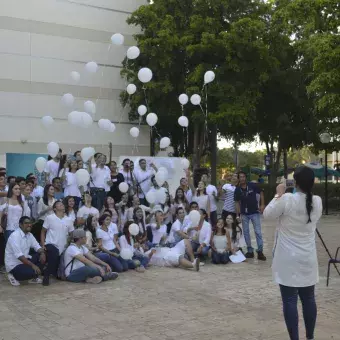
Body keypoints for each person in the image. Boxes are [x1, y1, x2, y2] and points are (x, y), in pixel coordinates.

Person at [263, 166, 322, 340]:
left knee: (289, 300)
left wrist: (278, 194)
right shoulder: (317, 201)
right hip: (308, 258)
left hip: (287, 258)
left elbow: (267, 214)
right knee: (309, 299)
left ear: (295, 182)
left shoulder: (287, 199)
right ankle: (310, 337)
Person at [5, 216, 46, 286]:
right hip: (14, 265)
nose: (29, 225)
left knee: (44, 256)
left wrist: (42, 253)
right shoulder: (15, 236)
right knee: (33, 271)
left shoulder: (30, 235)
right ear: (20, 225)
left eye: (30, 223)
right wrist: (33, 266)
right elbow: (19, 256)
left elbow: (37, 246)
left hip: (25, 261)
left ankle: (33, 278)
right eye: (26, 223)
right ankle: (12, 275)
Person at [234, 171, 266, 261]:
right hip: (244, 214)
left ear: (245, 177)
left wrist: (262, 204)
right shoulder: (237, 190)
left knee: (258, 232)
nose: (242, 178)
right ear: (238, 179)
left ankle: (260, 251)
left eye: (243, 176)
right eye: (240, 177)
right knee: (246, 232)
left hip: (255, 212)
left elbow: (261, 193)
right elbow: (236, 203)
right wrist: (237, 215)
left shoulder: (252, 185)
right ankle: (250, 251)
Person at [41, 201, 75, 286]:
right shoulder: (49, 218)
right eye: (59, 204)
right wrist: (43, 244)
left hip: (63, 246)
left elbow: (72, 234)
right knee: (54, 252)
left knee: (58, 270)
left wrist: (69, 243)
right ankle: (46, 275)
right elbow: (43, 231)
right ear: (55, 209)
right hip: (50, 243)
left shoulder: (69, 219)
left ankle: (50, 271)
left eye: (62, 204)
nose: (62, 205)